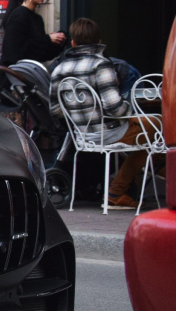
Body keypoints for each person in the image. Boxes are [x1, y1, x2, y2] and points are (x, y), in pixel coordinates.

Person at [49, 18, 153, 209]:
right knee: (156, 129)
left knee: (148, 136)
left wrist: (80, 121)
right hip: (110, 133)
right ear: (99, 42)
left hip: (81, 137)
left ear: (72, 42)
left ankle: (123, 188)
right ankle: (116, 191)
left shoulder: (58, 69)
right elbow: (114, 107)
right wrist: (130, 113)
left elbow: (55, 110)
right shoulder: (101, 65)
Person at [0, 0, 67, 69]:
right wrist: (48, 39)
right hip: (12, 77)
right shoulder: (19, 14)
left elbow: (41, 55)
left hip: (28, 75)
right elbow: (15, 50)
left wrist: (58, 42)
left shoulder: (37, 18)